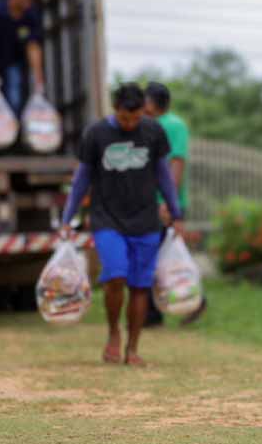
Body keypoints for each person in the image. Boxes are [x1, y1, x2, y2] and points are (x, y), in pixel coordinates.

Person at [60, 83, 184, 367]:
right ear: (115, 110)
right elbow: (81, 180)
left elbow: (164, 176)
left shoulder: (153, 132)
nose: (131, 124)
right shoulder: (96, 134)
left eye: (136, 117)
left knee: (140, 286)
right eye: (125, 118)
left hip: (146, 220)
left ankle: (133, 348)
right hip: (107, 219)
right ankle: (114, 332)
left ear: (143, 111)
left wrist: (176, 214)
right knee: (115, 276)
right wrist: (68, 218)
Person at [142, 81, 206, 327]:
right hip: (151, 202)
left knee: (170, 257)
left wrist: (170, 203)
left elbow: (176, 163)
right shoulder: (151, 125)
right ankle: (153, 311)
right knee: (153, 255)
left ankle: (194, 301)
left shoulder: (173, 125)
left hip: (167, 204)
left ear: (153, 102)